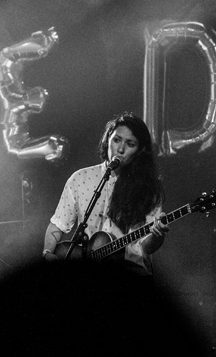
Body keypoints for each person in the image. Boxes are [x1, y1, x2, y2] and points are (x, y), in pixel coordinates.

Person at [42, 112, 169, 273]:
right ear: (107, 139)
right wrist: (47, 252)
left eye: (130, 144)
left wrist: (158, 236)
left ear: (139, 150)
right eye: (116, 140)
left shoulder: (148, 189)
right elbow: (58, 223)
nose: (120, 149)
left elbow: (146, 246)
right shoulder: (80, 178)